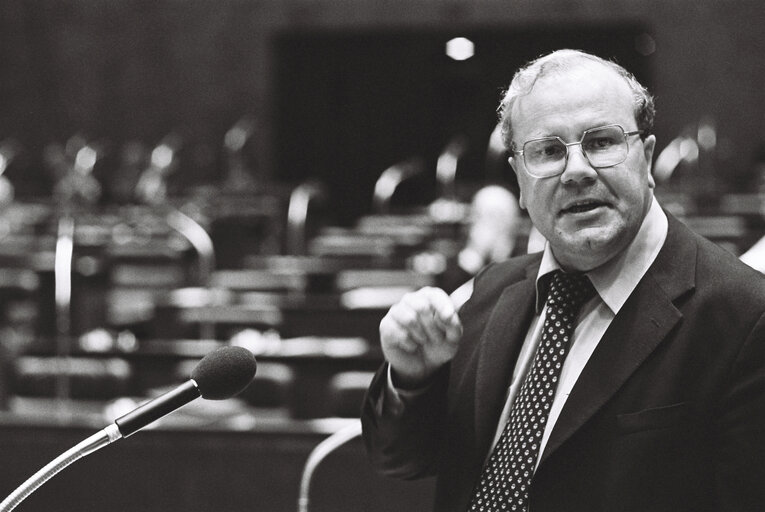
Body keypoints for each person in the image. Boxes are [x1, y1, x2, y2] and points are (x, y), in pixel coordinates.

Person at [361, 49, 765, 512]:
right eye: (548, 151)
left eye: (601, 142)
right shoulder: (488, 294)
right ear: (518, 178)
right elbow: (401, 460)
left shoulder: (746, 317)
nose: (576, 171)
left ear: (647, 157)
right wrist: (413, 378)